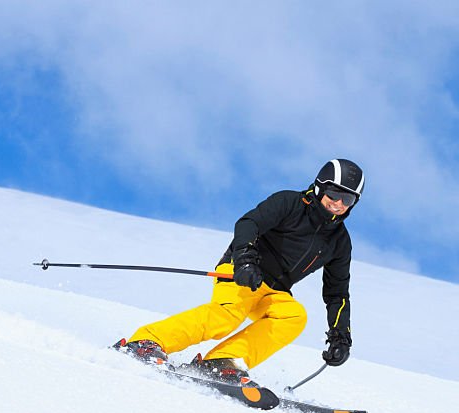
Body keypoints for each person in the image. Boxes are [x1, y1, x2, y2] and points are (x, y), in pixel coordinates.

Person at [116, 158, 363, 383]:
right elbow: (249, 223)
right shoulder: (289, 203)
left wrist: (340, 336)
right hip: (241, 271)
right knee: (226, 316)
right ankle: (146, 341)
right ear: (320, 187)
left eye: (348, 199)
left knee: (294, 316)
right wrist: (245, 260)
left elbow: (337, 293)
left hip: (272, 291)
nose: (339, 203)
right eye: (334, 193)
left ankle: (223, 361)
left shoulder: (339, 242)